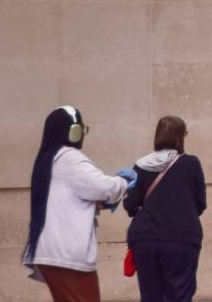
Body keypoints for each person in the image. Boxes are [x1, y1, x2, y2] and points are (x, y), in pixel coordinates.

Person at [22, 105, 134, 302]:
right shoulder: (70, 158)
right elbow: (103, 187)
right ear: (74, 131)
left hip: (50, 252)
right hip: (67, 255)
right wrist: (124, 182)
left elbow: (70, 198)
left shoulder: (49, 159)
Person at [124, 115, 207, 302]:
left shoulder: (141, 165)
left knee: (150, 296)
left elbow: (130, 204)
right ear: (181, 137)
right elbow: (200, 204)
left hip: (145, 238)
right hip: (182, 238)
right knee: (179, 295)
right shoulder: (191, 163)